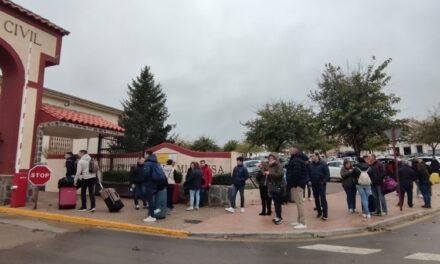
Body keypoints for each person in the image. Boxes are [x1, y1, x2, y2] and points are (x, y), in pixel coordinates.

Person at [286, 147, 309, 229]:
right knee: (298, 203)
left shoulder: (296, 160)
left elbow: (297, 173)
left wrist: (294, 184)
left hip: (297, 185)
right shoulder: (295, 159)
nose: (289, 151)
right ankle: (299, 221)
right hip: (297, 184)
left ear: (294, 151)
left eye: (290, 150)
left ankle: (303, 223)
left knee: (300, 203)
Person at [309, 152, 330, 220]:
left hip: (321, 184)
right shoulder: (311, 164)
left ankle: (325, 214)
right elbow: (309, 174)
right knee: (316, 199)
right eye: (312, 156)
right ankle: (319, 212)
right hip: (314, 184)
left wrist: (323, 181)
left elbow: (327, 175)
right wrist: (309, 180)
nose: (312, 157)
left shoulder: (323, 164)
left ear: (317, 156)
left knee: (323, 199)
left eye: (313, 156)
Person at [266, 153, 285, 225]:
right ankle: (277, 216)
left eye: (272, 158)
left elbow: (279, 175)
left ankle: (280, 218)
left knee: (278, 203)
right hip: (272, 186)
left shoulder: (279, 165)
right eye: (270, 158)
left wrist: (269, 173)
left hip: (278, 186)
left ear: (276, 159)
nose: (271, 159)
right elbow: (267, 173)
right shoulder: (270, 165)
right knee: (275, 203)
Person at [142, 151, 159, 222]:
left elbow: (146, 174)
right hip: (155, 183)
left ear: (148, 155)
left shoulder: (148, 163)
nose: (144, 155)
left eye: (145, 154)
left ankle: (152, 216)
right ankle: (155, 209)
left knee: (150, 200)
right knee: (152, 199)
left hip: (149, 183)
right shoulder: (155, 162)